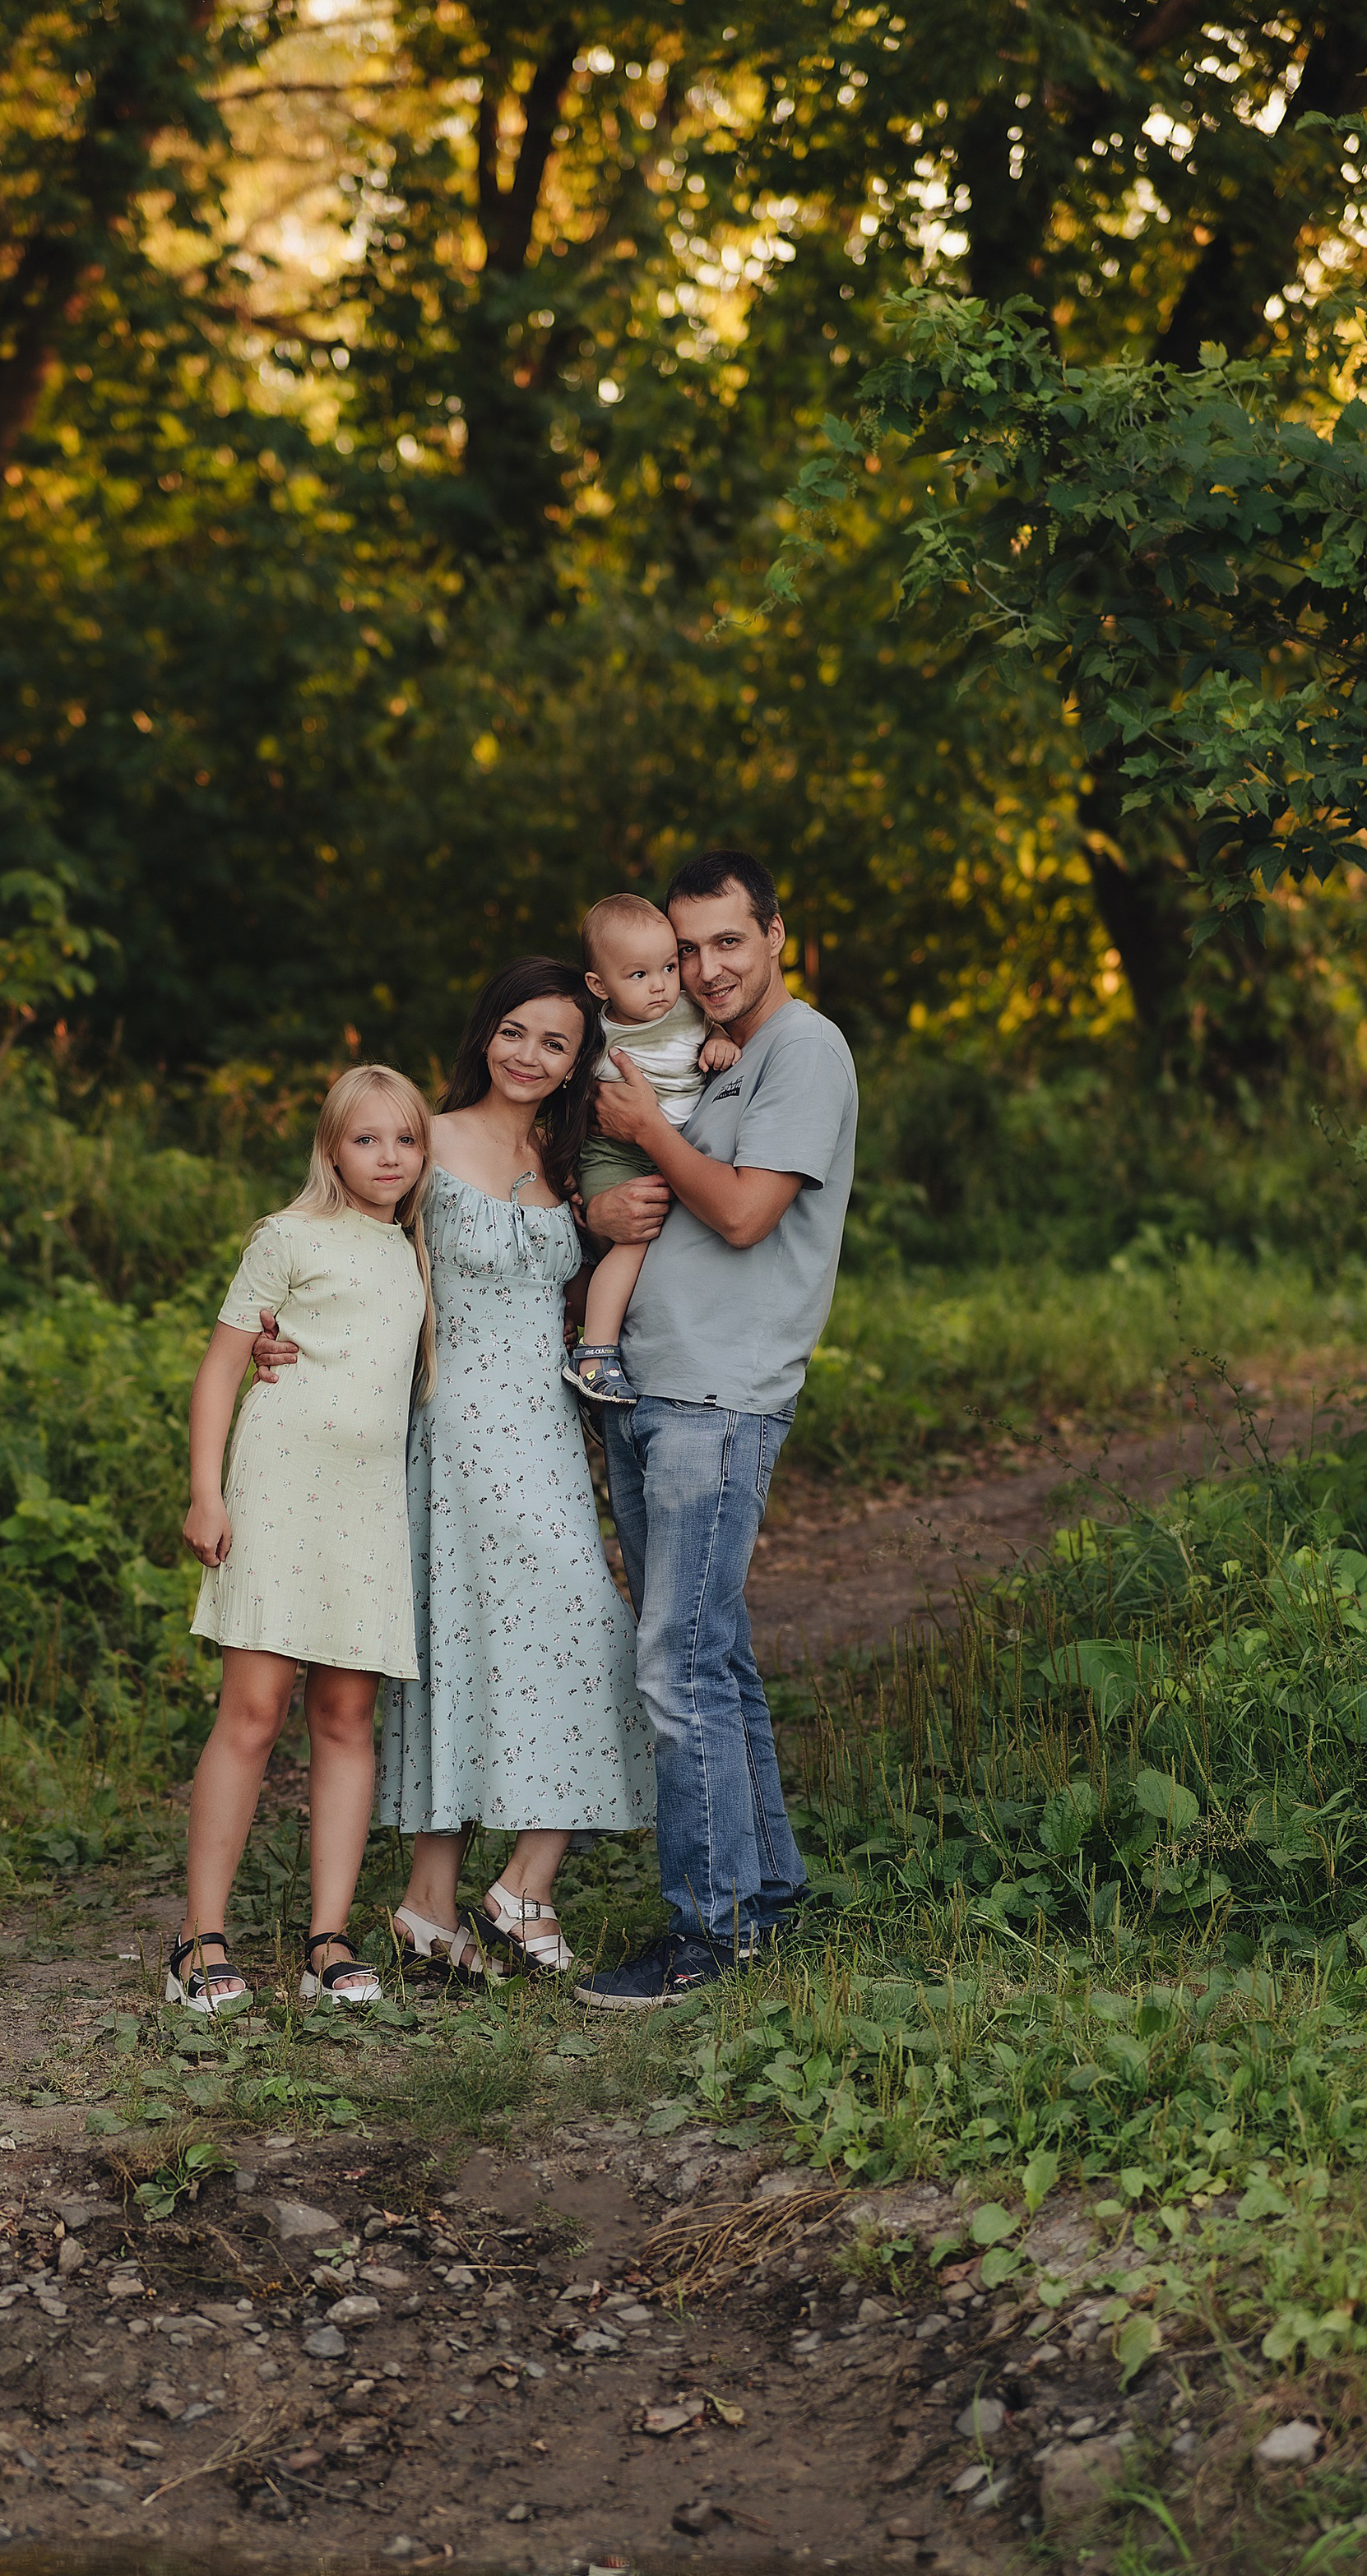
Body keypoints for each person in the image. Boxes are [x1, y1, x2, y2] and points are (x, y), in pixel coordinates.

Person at [251, 960, 652, 1975]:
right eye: (514, 1031)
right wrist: (274, 1334)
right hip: (456, 1432)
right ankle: (504, 1895)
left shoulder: (573, 1159)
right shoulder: (423, 1139)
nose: (529, 1054)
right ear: (486, 1034)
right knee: (523, 1645)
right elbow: (336, 1241)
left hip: (550, 1435)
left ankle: (446, 1902)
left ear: (577, 1062)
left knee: (540, 1648)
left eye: (555, 1042)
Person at [574, 848, 857, 2007]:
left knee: (676, 1665)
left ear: (778, 933)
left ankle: (707, 1931)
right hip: (643, 1383)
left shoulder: (806, 1049)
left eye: (728, 941)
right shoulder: (683, 1041)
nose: (705, 968)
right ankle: (766, 1896)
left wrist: (649, 1132)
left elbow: (743, 1213)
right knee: (715, 1657)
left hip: (718, 1397)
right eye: (687, 948)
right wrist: (611, 1185)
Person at [174, 1063, 435, 2014]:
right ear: (332, 1147)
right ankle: (199, 1939)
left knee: (345, 1717)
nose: (388, 1156)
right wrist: (207, 1494)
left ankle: (327, 1937)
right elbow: (218, 1371)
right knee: (253, 1709)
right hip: (278, 1484)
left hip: (367, 1505)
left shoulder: (414, 1247)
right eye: (366, 1138)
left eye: (405, 1139)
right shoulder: (285, 1238)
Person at [562, 890, 739, 1409]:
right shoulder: (594, 1028)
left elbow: (714, 1027)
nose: (660, 985)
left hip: (668, 1146)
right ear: (600, 984)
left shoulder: (689, 1007)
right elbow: (569, 1086)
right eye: (638, 975)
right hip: (613, 1154)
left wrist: (720, 1039)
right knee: (633, 1239)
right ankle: (595, 1352)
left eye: (667, 966)